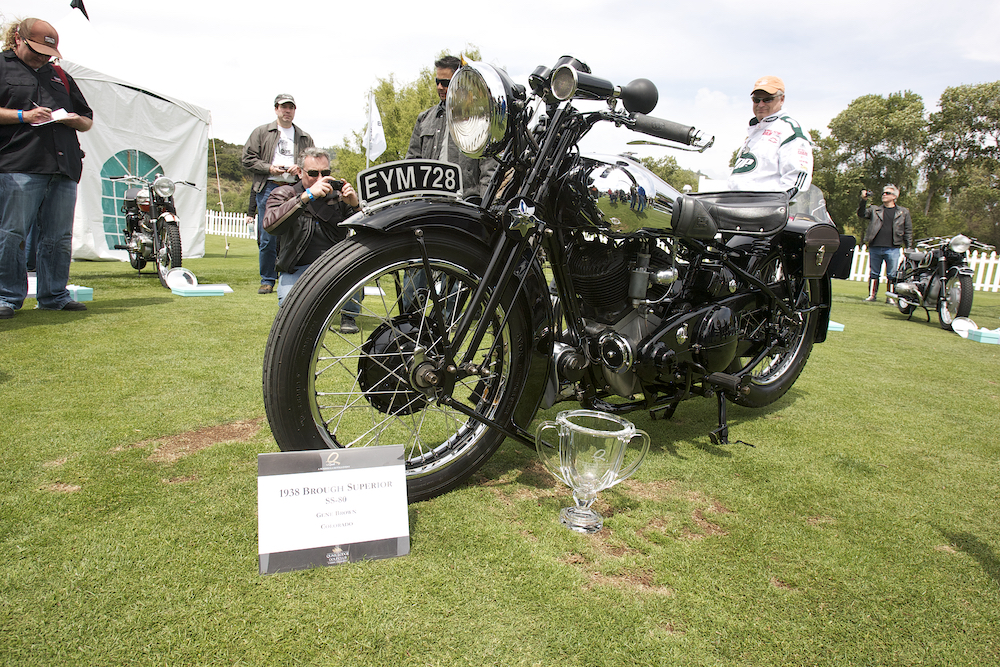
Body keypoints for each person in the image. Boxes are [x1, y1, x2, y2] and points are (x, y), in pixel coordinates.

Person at [0, 18, 94, 320]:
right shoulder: (2, 66)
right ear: (18, 39)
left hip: (63, 165)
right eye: (37, 50)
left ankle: (54, 295)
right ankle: (6, 297)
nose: (43, 58)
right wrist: (23, 115)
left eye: (48, 53)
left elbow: (87, 119)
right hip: (19, 164)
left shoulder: (60, 76)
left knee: (59, 237)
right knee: (12, 234)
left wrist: (71, 119)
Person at [262, 148, 363, 331]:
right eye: (313, 173)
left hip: (335, 266)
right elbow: (270, 224)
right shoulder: (285, 193)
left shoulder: (340, 198)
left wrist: (355, 206)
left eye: (325, 173)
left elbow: (369, 233)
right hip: (297, 268)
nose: (319, 179)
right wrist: (306, 197)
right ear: (300, 172)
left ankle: (349, 315)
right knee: (291, 315)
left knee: (356, 266)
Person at [241, 94, 314, 294]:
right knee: (268, 236)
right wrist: (270, 168)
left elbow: (312, 162)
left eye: (291, 107)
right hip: (269, 187)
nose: (287, 111)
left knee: (297, 233)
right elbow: (247, 159)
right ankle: (267, 279)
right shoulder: (261, 132)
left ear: (294, 110)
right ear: (276, 109)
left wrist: (298, 168)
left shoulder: (304, 137)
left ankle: (289, 275)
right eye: (283, 107)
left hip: (295, 189)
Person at [405, 55, 496, 199]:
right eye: (437, 82)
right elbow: (410, 165)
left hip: (465, 205)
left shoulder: (479, 120)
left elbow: (489, 170)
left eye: (445, 83)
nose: (439, 87)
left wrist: (485, 210)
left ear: (459, 82)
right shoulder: (424, 118)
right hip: (428, 205)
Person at [728, 75, 813, 200]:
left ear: (782, 99)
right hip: (734, 208)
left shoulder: (789, 129)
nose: (761, 104)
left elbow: (797, 178)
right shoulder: (754, 133)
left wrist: (772, 206)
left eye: (767, 99)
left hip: (765, 213)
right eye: (756, 100)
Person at [858, 184, 912, 303]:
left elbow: (908, 230)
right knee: (874, 273)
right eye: (883, 193)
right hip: (875, 246)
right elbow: (861, 214)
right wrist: (864, 200)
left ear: (894, 197)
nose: (884, 195)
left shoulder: (903, 212)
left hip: (893, 247)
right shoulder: (875, 210)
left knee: (892, 274)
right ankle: (872, 295)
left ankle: (890, 297)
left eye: (887, 193)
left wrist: (909, 247)